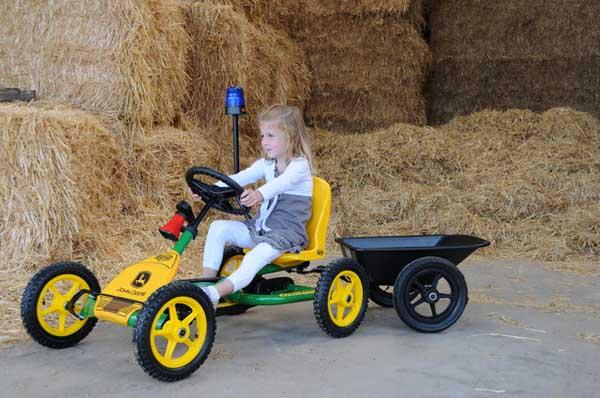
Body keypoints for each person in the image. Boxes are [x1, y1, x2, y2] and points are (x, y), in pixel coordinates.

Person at [189, 104, 314, 306]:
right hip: (261, 229)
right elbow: (239, 177)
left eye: (271, 136)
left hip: (285, 234)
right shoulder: (267, 163)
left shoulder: (299, 166)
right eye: (262, 136)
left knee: (252, 258)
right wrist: (207, 189)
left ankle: (212, 295)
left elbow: (281, 184)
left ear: (290, 136)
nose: (264, 142)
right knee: (218, 227)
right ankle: (206, 282)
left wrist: (259, 194)